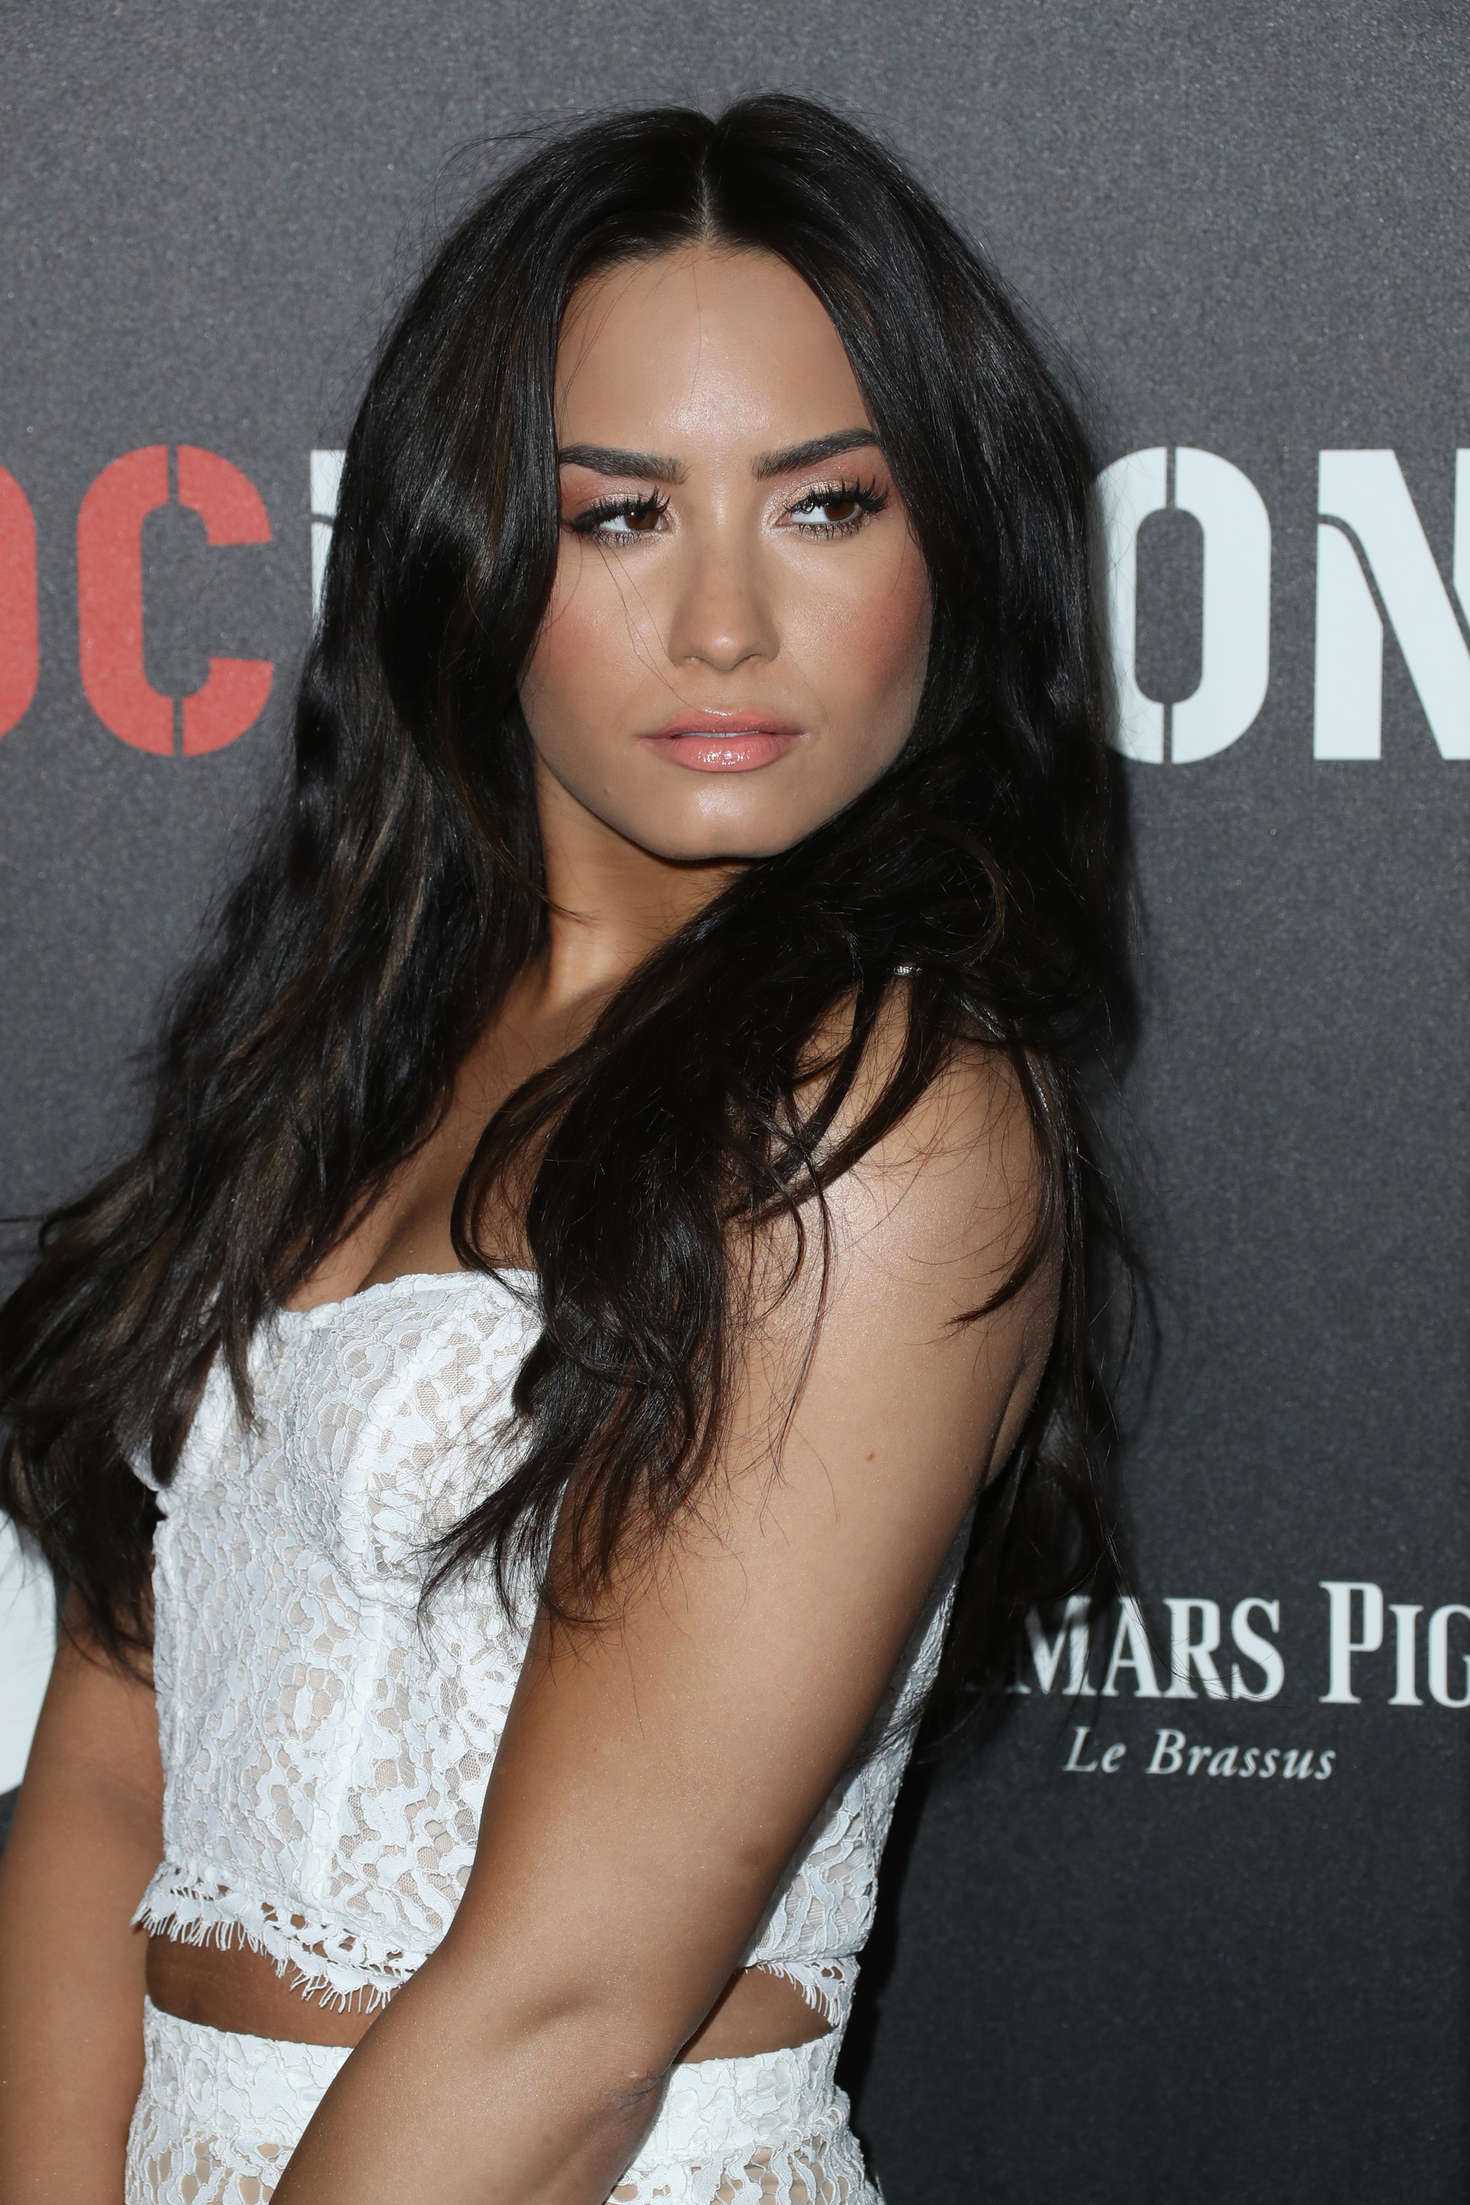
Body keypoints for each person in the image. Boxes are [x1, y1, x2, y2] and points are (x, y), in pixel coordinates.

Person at [0, 90, 1137, 2205]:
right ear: (468, 551)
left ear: (953, 552)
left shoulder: (879, 1114)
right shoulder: (327, 1054)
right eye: (619, 515)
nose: (725, 624)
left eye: (827, 505)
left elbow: (571, 2013)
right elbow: (97, 1774)